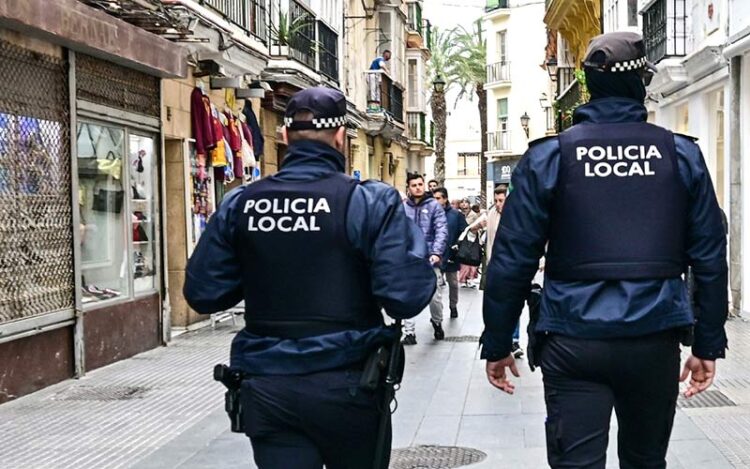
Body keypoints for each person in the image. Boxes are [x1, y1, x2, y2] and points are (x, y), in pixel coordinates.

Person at [481, 32, 728, 469]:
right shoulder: (680, 155)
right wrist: (706, 343)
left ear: (588, 84)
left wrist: (498, 341)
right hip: (654, 337)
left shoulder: (550, 157)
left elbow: (511, 260)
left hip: (572, 338)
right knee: (645, 461)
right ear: (641, 84)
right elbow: (708, 255)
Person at [183, 87, 436, 469]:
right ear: (340, 138)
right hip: (349, 386)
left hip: (268, 387)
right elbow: (406, 296)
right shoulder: (369, 201)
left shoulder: (242, 203)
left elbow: (203, 292)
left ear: (285, 137)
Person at [469, 186, 522, 358]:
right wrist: (476, 226)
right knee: (497, 304)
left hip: (513, 267)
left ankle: (514, 340)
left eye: (501, 201)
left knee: (513, 303)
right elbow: (472, 229)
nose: (498, 204)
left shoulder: (518, 217)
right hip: (494, 267)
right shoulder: (491, 215)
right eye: (496, 201)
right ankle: (499, 338)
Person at [402, 173, 448, 345]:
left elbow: (442, 230)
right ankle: (409, 332)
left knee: (434, 296)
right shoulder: (402, 207)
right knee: (406, 295)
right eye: (414, 185)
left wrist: (436, 252)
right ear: (409, 188)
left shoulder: (434, 206)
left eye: (420, 184)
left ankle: (437, 322)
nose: (418, 187)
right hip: (410, 258)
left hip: (430, 259)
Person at [433, 187, 467, 319]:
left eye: (438, 198)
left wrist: (457, 246)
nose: (435, 201)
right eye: (434, 198)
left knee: (453, 283)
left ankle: (453, 306)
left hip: (452, 254)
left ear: (445, 199)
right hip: (436, 256)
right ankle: (437, 312)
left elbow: (463, 231)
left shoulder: (455, 215)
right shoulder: (431, 214)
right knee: (436, 286)